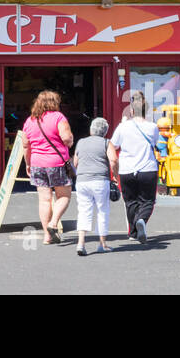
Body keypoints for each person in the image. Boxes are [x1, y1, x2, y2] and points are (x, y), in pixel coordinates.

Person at [21, 90, 74, 245]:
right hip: (57, 162)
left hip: (37, 163)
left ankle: (47, 236)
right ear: (55, 102)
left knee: (44, 200)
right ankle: (53, 223)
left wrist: (28, 163)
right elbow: (66, 138)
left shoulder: (30, 120)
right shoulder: (59, 117)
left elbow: (25, 145)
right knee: (64, 196)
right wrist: (70, 141)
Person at [109, 91, 160, 244]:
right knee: (148, 200)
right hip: (147, 168)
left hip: (127, 169)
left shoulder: (122, 127)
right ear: (147, 111)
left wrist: (114, 167)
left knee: (130, 201)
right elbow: (155, 144)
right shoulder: (153, 127)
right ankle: (142, 220)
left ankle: (133, 232)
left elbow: (113, 145)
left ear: (131, 111)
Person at [73, 117, 113, 256]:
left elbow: (75, 162)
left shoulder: (81, 142)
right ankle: (102, 244)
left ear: (91, 129)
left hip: (82, 180)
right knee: (102, 210)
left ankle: (81, 243)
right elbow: (113, 159)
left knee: (83, 211)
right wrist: (114, 174)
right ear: (105, 131)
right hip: (100, 180)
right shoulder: (106, 143)